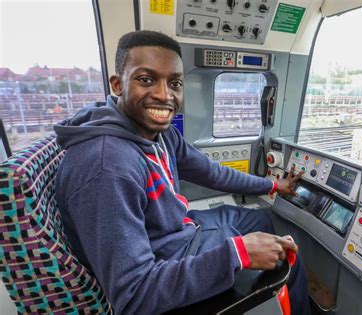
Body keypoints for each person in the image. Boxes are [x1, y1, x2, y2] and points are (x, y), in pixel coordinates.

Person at [54, 30, 312, 314]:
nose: (165, 95)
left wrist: (272, 186)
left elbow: (213, 173)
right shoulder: (105, 168)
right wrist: (238, 253)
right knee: (289, 258)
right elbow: (135, 296)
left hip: (176, 233)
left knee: (261, 217)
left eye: (174, 83)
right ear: (117, 85)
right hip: (162, 264)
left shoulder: (160, 135)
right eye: (146, 79)